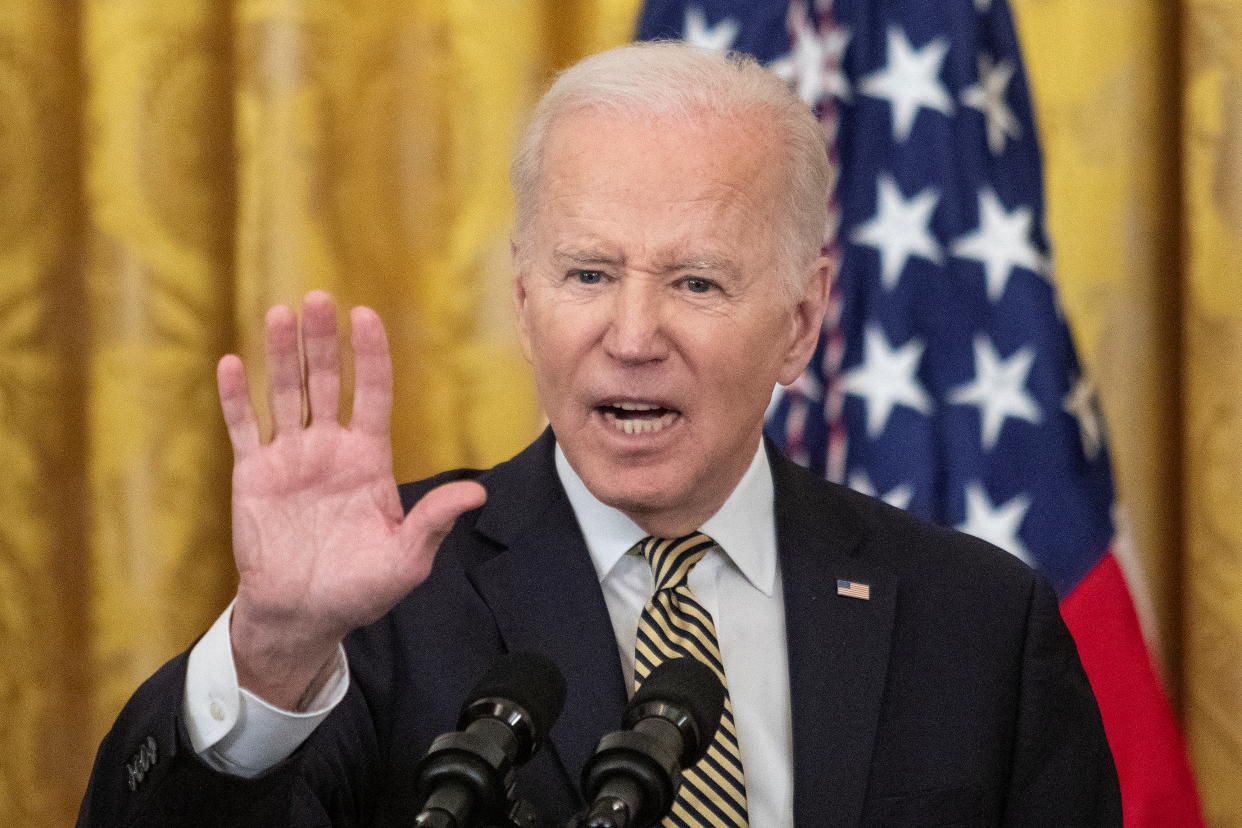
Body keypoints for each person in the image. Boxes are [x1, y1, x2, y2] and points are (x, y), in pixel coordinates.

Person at [79, 42, 1120, 827]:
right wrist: (272, 652)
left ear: (800, 324)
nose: (631, 336)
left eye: (696, 281)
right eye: (588, 275)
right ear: (525, 301)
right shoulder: (384, 604)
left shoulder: (980, 625)